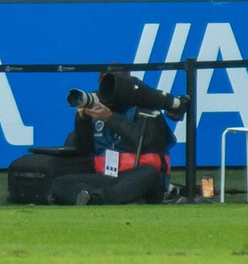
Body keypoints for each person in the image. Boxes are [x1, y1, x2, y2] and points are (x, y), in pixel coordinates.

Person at [47, 68, 181, 206]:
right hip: (109, 177)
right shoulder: (97, 111)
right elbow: (83, 150)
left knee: (149, 173)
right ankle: (93, 199)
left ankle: (97, 199)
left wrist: (110, 118)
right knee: (60, 182)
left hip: (140, 178)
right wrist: (82, 120)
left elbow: (144, 141)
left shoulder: (147, 110)